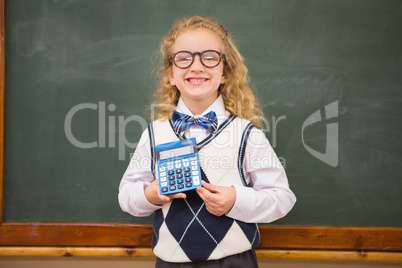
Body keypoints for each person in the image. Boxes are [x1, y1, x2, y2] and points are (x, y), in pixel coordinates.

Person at [118, 16, 296, 267]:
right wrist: (151, 194)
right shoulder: (153, 133)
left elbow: (281, 197)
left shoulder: (247, 133)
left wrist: (235, 200)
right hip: (171, 262)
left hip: (234, 261)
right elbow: (126, 196)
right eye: (183, 58)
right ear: (171, 74)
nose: (196, 66)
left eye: (209, 57)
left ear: (225, 73)